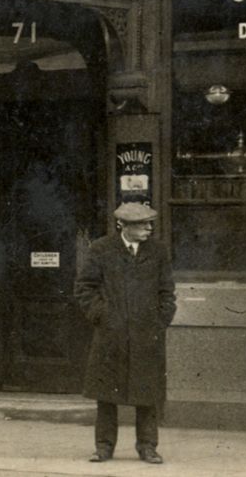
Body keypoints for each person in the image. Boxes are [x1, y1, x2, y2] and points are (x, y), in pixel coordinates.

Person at [74, 199, 174, 464]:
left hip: (146, 333)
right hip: (111, 334)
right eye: (142, 225)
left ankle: (148, 446)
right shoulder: (101, 249)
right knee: (107, 394)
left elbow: (167, 291)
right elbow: (85, 287)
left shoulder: (158, 251)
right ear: (123, 225)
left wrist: (160, 321)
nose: (149, 228)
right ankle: (104, 447)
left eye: (150, 223)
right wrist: (103, 316)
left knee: (148, 393)